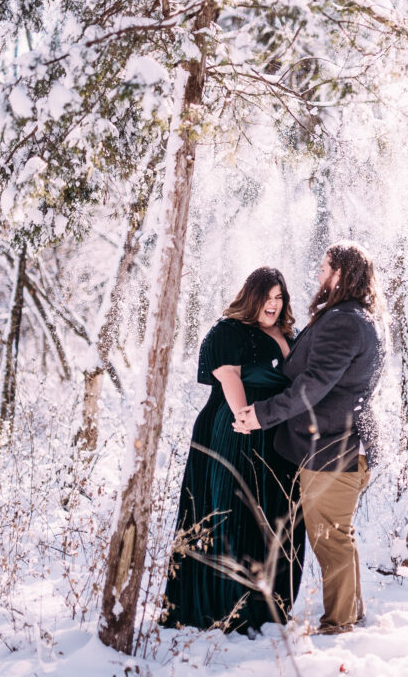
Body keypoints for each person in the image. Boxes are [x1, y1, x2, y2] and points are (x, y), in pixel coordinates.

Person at [235, 242, 383, 636]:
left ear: (342, 275)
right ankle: (351, 614)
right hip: (343, 447)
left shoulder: (344, 322)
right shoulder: (357, 318)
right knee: (338, 537)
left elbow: (315, 384)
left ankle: (340, 624)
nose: (319, 275)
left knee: (330, 540)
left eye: (325, 269)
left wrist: (262, 415)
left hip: (335, 451)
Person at [161, 267, 305, 636]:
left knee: (278, 514)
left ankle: (268, 608)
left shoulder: (291, 333)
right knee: (236, 512)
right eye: (267, 297)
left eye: (279, 297)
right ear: (251, 296)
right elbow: (230, 379)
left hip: (276, 434)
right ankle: (228, 610)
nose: (273, 305)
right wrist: (246, 418)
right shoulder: (228, 332)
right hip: (232, 431)